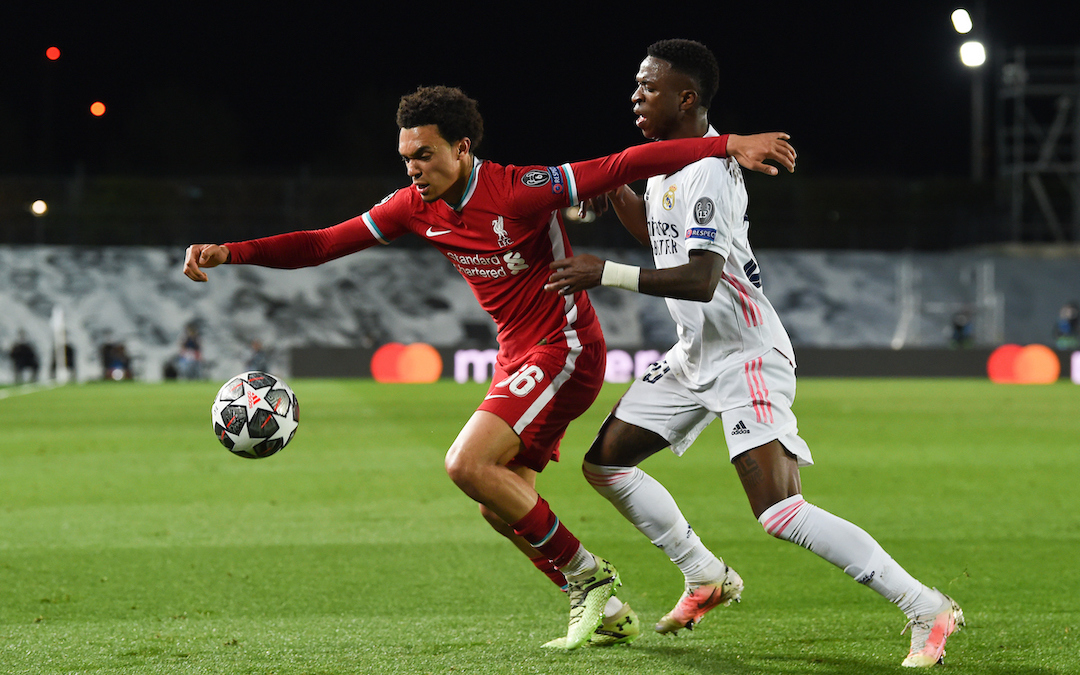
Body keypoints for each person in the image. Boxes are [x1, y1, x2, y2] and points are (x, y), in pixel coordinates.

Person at [182, 84, 796, 649]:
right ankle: (609, 615)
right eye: (406, 158)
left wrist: (727, 145)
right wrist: (231, 251)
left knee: (466, 464)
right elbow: (321, 243)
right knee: (498, 502)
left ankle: (590, 578)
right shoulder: (413, 206)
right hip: (517, 356)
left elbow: (620, 166)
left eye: (423, 155)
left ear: (462, 147)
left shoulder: (518, 188)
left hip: (565, 346)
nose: (412, 169)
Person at [544, 39, 963, 667]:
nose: (636, 96)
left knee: (779, 511)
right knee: (605, 466)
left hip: (745, 353)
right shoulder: (664, 166)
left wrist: (605, 272)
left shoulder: (710, 170)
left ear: (686, 98)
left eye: (648, 87)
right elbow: (664, 240)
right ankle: (705, 575)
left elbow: (701, 278)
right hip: (694, 353)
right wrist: (623, 200)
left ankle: (925, 605)